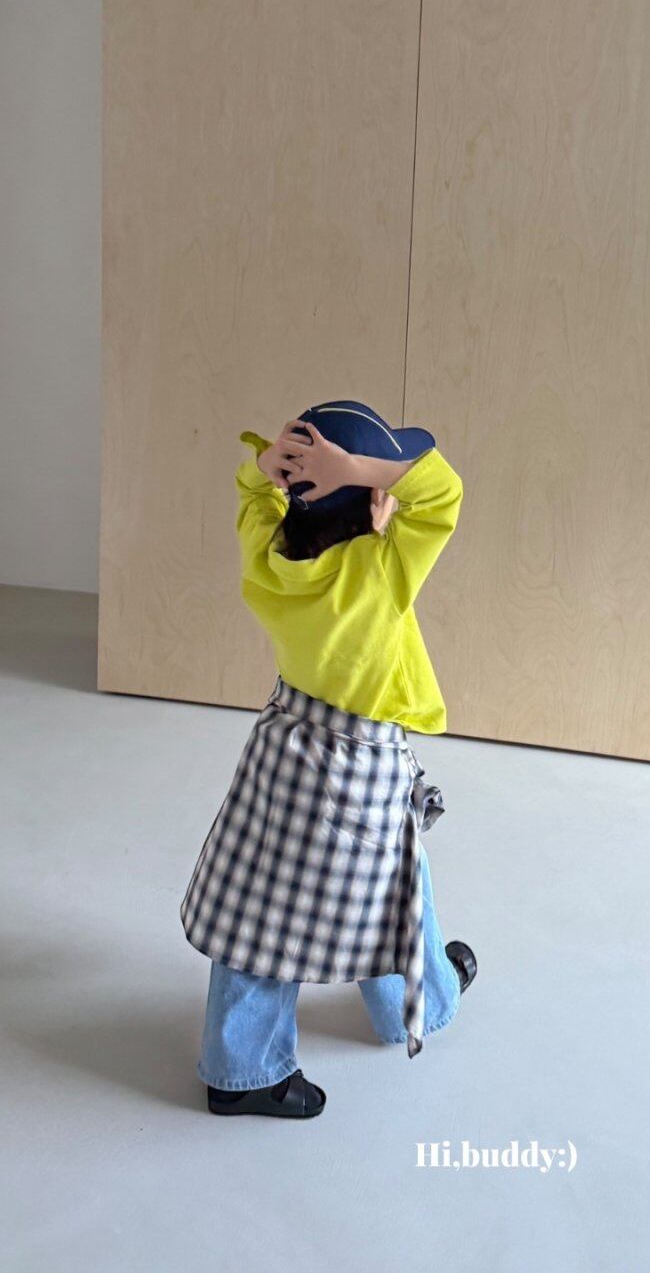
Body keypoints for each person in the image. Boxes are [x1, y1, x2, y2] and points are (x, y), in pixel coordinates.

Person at [180, 399, 476, 1120]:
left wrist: (268, 468)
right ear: (376, 499)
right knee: (392, 891)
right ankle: (417, 1005)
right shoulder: (379, 572)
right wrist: (360, 470)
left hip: (283, 752)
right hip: (360, 767)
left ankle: (240, 1068)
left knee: (259, 904)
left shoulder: (271, 559)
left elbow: (253, 501)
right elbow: (442, 492)